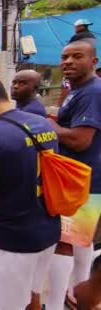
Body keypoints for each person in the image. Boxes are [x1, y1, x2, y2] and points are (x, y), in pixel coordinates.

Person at [0, 76, 61, 310]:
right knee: (33, 295)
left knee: (4, 305)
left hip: (11, 240)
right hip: (48, 230)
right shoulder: (44, 124)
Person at [46, 40, 101, 310]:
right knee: (81, 242)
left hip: (81, 183)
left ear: (94, 61)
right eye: (64, 57)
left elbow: (80, 140)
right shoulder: (77, 91)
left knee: (63, 244)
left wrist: (49, 126)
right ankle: (78, 297)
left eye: (77, 56)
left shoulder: (92, 92)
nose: (67, 62)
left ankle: (54, 304)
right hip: (84, 181)